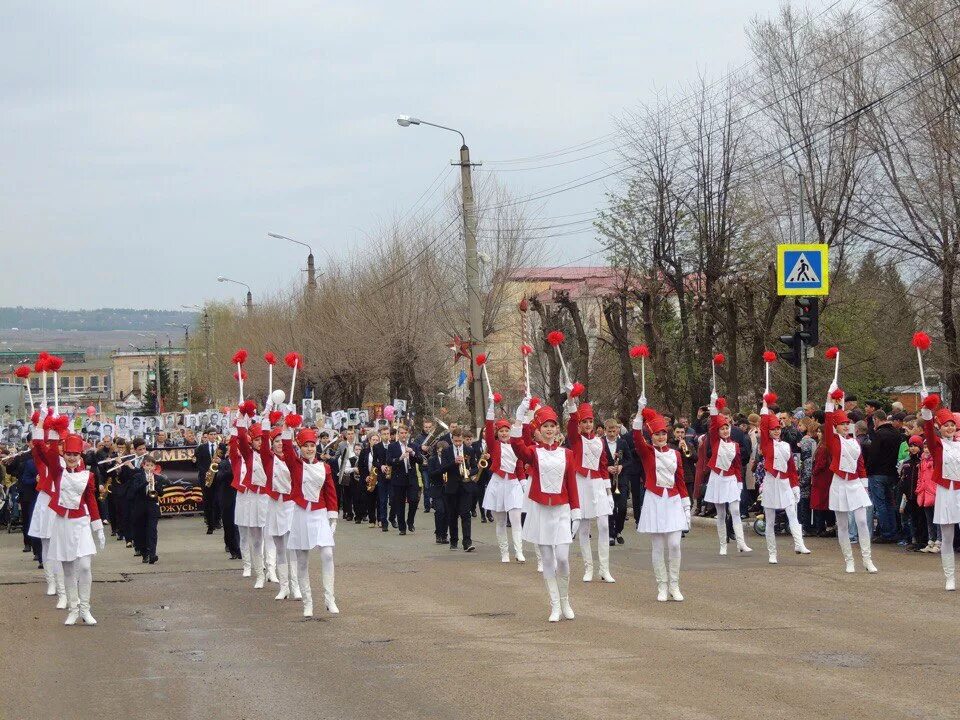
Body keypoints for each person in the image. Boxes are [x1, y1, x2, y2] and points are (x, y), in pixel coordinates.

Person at [510, 399, 581, 622]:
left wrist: (576, 510)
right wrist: (521, 415)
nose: (549, 430)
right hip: (541, 510)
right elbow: (516, 446)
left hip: (561, 510)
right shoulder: (534, 452)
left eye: (552, 426)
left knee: (563, 558)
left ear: (557, 429)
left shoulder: (566, 453)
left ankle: (566, 600)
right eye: (545, 427)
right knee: (548, 560)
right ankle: (555, 605)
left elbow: (571, 482)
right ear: (538, 431)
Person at [33, 428, 106, 625]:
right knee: (68, 570)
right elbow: (43, 451)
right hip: (62, 523)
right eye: (68, 454)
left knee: (84, 566)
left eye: (75, 454)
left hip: (81, 522)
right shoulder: (58, 472)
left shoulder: (88, 476)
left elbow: (91, 501)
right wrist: (52, 431)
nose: (72, 457)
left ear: (80, 455)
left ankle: (85, 608)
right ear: (63, 455)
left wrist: (98, 527)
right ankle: (73, 609)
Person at [632, 400, 690, 602]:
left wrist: (686, 505)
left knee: (674, 545)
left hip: (673, 500)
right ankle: (662, 585)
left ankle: (674, 584)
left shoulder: (675, 454)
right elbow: (637, 437)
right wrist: (639, 413)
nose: (661, 437)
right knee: (657, 547)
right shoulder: (648, 453)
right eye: (657, 434)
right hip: (655, 500)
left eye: (663, 433)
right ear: (652, 436)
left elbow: (680, 480)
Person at [281, 422, 339, 616]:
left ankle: (329, 598)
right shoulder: (295, 465)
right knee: (302, 561)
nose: (309, 448)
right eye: (305, 445)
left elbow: (330, 492)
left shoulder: (325, 468)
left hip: (320, 513)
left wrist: (333, 516)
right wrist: (287, 427)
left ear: (316, 447)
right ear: (301, 447)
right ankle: (307, 602)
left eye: (312, 445)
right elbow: (287, 450)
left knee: (328, 554)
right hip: (301, 514)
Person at [825, 385, 876, 573]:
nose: (846, 426)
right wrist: (830, 399)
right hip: (839, 484)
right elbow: (828, 418)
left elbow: (860, 463)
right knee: (843, 525)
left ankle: (867, 559)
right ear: (836, 427)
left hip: (855, 483)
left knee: (862, 521)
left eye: (847, 423)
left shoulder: (854, 441)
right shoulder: (833, 440)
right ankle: (849, 560)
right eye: (842, 424)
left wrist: (864, 484)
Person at [563, 400, 614, 583]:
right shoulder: (576, 439)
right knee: (584, 528)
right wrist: (570, 400)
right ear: (580, 424)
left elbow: (603, 465)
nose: (587, 425)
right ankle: (588, 568)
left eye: (590, 421)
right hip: (581, 482)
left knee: (604, 525)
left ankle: (604, 569)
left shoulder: (600, 441)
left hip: (598, 484)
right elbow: (571, 424)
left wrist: (609, 492)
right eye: (584, 421)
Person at [759, 395, 809, 562]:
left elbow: (792, 469)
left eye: (778, 429)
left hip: (785, 483)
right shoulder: (766, 444)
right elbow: (763, 424)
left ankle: (799, 543)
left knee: (792, 513)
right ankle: (772, 553)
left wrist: (795, 486)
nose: (776, 431)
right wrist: (765, 407)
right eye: (773, 429)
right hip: (771, 483)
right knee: (770, 520)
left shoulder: (786, 445)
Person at [919, 395, 960, 590]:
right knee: (947, 536)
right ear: (940, 428)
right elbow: (928, 431)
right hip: (946, 491)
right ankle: (949, 577)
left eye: (952, 425)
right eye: (946, 425)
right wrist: (927, 411)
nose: (950, 428)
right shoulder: (937, 446)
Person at [703, 393, 750, 555]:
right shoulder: (715, 440)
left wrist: (739, 483)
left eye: (726, 428)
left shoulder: (735, 445)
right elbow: (713, 423)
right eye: (722, 429)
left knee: (735, 511)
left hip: (731, 480)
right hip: (717, 478)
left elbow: (737, 465)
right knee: (721, 513)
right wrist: (713, 404)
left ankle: (741, 543)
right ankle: (723, 544)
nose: (724, 431)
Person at [260, 420, 301, 602]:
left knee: (292, 547)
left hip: (290, 505)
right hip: (275, 505)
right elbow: (261, 448)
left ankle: (296, 585)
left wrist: (288, 427)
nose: (278, 444)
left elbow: (289, 449)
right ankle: (284, 587)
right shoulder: (269, 459)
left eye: (280, 440)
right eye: (275, 441)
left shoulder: (292, 459)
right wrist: (266, 420)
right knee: (279, 548)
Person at [236, 416, 270, 588]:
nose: (260, 443)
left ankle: (269, 569)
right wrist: (242, 419)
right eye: (257, 440)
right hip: (250, 497)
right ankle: (254, 570)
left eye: (262, 440)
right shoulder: (248, 455)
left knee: (268, 537)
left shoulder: (270, 456)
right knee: (252, 536)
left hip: (266, 498)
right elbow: (241, 440)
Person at [437, 427, 478, 552]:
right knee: (452, 515)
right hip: (451, 487)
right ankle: (454, 541)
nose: (458, 444)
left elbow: (475, 468)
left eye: (460, 441)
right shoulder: (447, 451)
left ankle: (467, 542)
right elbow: (442, 468)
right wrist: (454, 462)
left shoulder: (469, 450)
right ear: (452, 439)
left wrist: (469, 471)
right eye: (456, 441)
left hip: (465, 486)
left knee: (466, 514)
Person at [865, 410, 902, 543]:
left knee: (880, 504)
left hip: (877, 473)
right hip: (891, 472)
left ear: (876, 419)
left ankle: (887, 533)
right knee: (889, 503)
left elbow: (873, 456)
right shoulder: (897, 434)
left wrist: (868, 470)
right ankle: (893, 530)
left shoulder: (879, 435)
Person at [602, 419, 633, 547]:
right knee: (610, 508)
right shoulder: (601, 443)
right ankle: (611, 534)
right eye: (609, 431)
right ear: (605, 431)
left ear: (617, 430)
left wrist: (621, 466)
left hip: (622, 480)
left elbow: (629, 459)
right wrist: (607, 468)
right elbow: (597, 461)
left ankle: (618, 530)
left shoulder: (622, 442)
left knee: (622, 508)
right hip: (607, 480)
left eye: (614, 431)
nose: (612, 433)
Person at [130, 454, 165, 564]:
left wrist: (156, 485)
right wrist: (146, 482)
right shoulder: (137, 476)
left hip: (152, 507)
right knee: (141, 532)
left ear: (155, 467)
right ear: (143, 466)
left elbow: (161, 493)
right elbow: (134, 490)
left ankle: (152, 554)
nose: (149, 467)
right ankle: (145, 553)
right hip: (140, 507)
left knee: (152, 531)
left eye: (151, 465)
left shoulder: (158, 478)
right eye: (147, 465)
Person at [387, 425, 422, 535]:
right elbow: (389, 461)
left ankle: (410, 521)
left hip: (411, 478)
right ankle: (402, 527)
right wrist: (399, 459)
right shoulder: (392, 446)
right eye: (401, 433)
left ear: (408, 434)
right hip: (398, 479)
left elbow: (420, 460)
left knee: (414, 500)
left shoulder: (414, 446)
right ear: (398, 434)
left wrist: (413, 453)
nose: (403, 435)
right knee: (400, 503)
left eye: (405, 433)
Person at [196, 429, 221, 534]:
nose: (213, 436)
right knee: (208, 500)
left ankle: (217, 521)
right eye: (211, 434)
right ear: (207, 436)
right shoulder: (201, 448)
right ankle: (210, 525)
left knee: (218, 500)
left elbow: (224, 460)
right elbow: (198, 462)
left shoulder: (221, 447)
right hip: (206, 477)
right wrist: (205, 472)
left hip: (219, 477)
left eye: (215, 434)